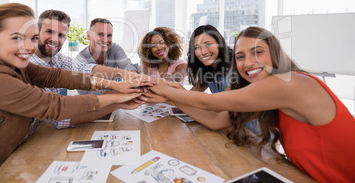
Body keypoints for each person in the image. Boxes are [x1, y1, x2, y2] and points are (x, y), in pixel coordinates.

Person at [0, 3, 152, 182]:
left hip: (13, 155)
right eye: (17, 38)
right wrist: (117, 98)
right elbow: (53, 105)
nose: (28, 47)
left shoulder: (15, 65)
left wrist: (119, 85)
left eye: (32, 38)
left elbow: (56, 76)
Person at [148, 26, 355, 183]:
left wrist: (165, 90)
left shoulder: (289, 83)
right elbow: (218, 120)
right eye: (240, 56)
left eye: (258, 52)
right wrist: (171, 96)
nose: (248, 63)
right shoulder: (268, 90)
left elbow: (210, 103)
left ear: (274, 52)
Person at [30, 9, 149, 130]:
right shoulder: (30, 66)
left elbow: (85, 69)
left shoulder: (57, 58)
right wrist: (118, 95)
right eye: (50, 32)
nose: (55, 39)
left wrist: (131, 77)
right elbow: (60, 119)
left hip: (38, 131)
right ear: (36, 32)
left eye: (61, 35)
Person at [76, 18, 138, 94]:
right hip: (96, 105)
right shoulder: (80, 60)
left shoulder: (114, 48)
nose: (105, 40)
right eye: (100, 34)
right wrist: (120, 90)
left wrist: (134, 77)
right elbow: (87, 95)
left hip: (120, 101)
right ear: (89, 36)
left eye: (109, 35)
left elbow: (127, 66)